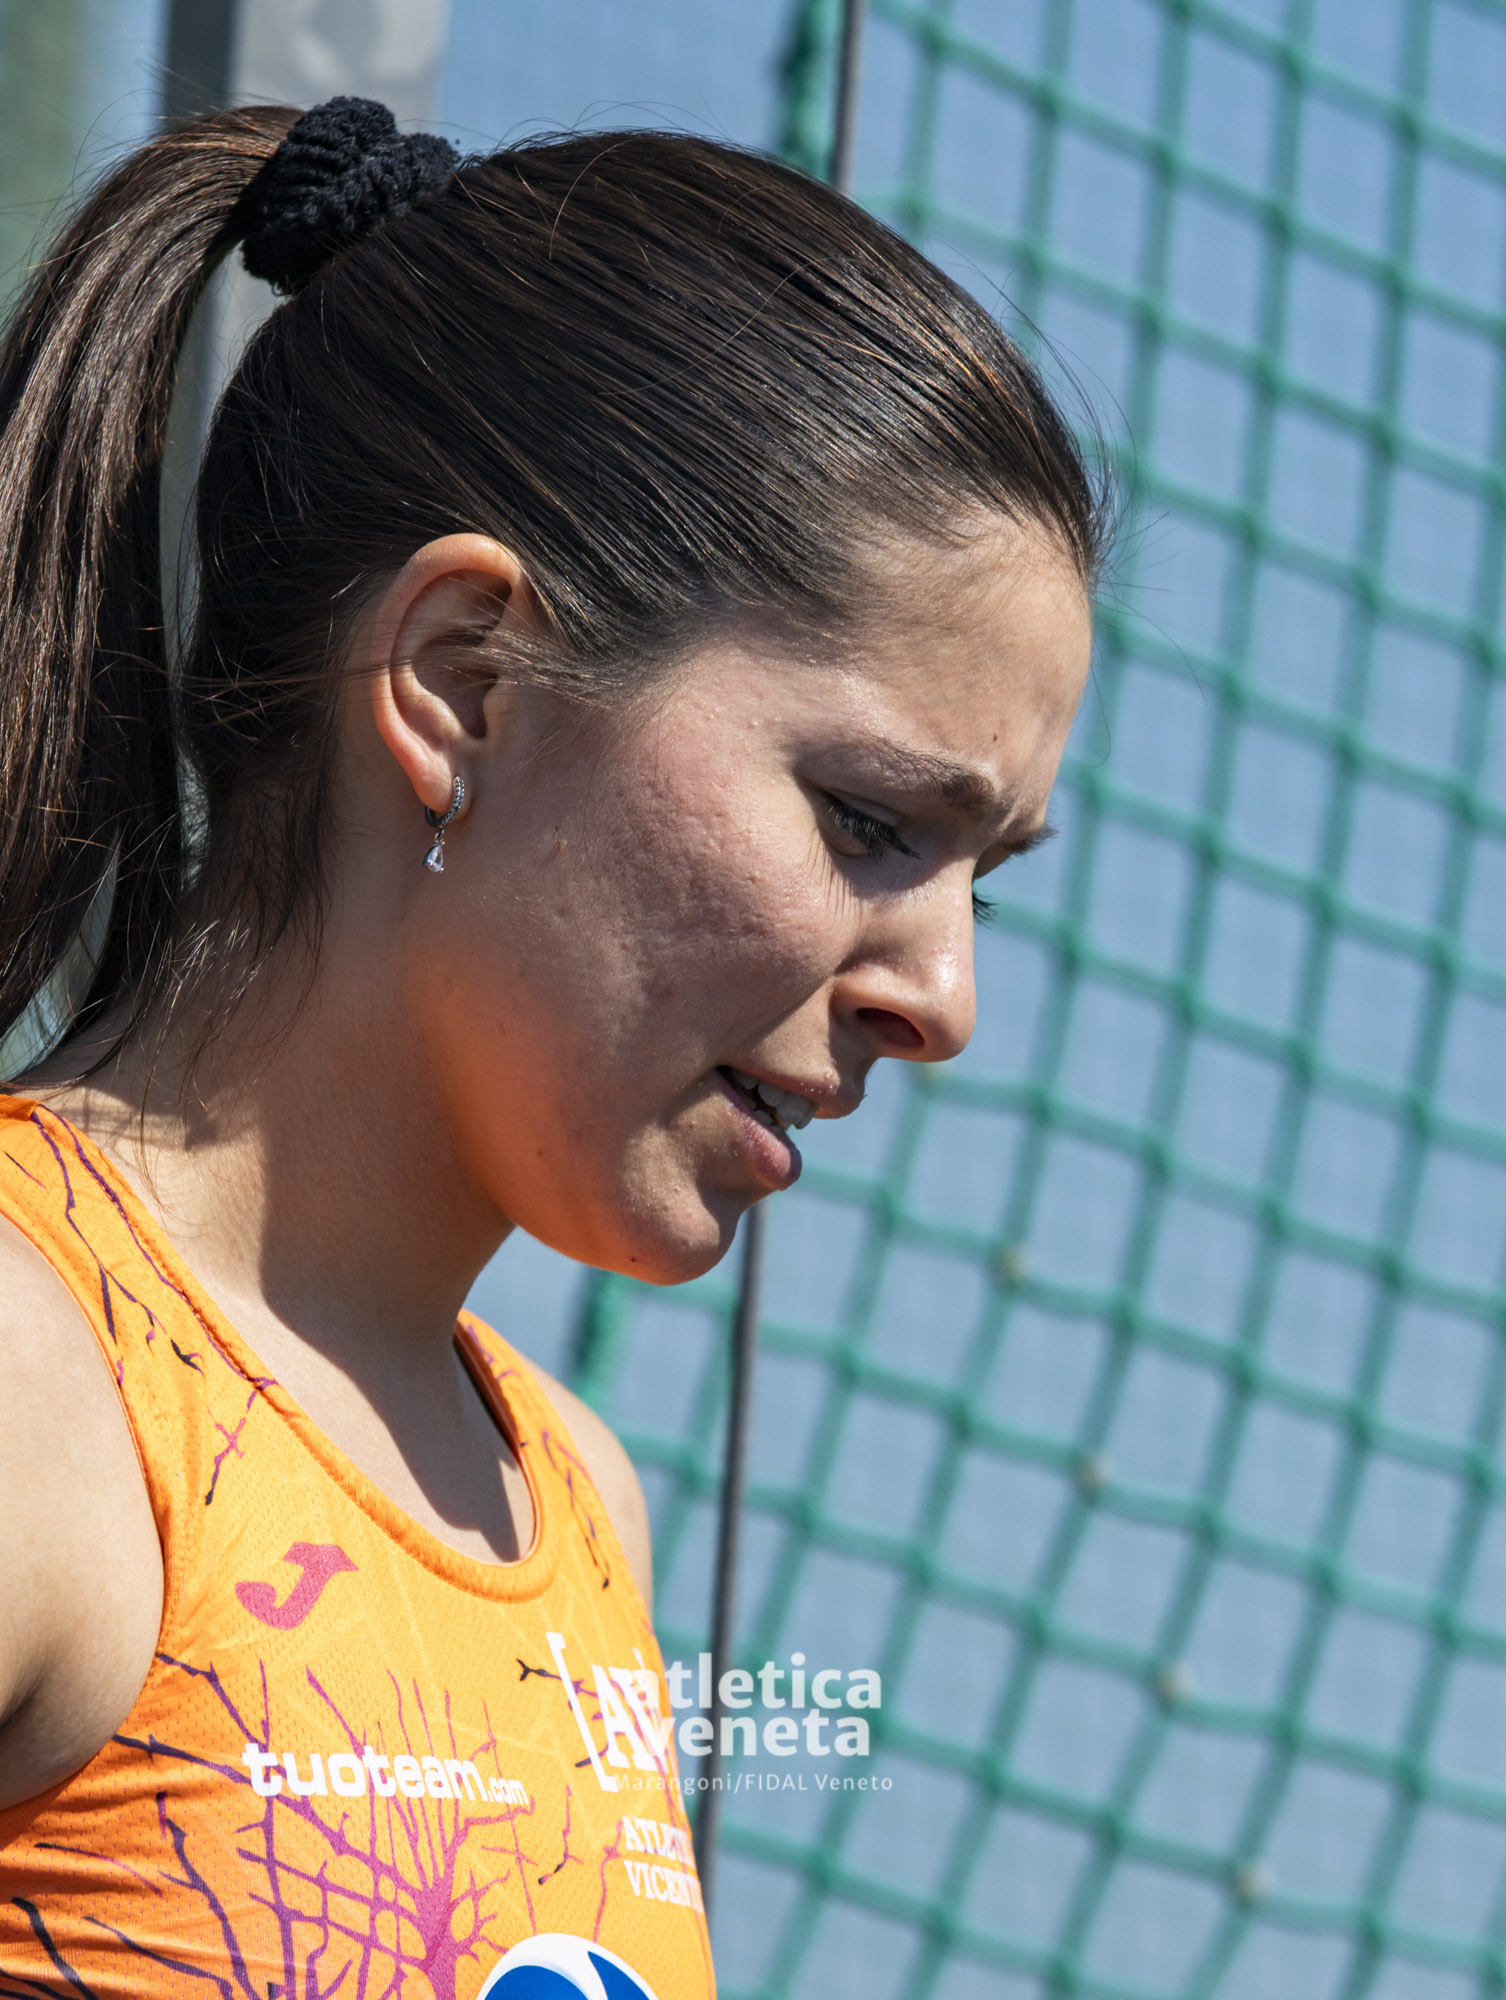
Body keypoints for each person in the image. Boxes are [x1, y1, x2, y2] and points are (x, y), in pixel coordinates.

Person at [0, 96, 1102, 1998]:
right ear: (466, 684)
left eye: (979, 880)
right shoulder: (35, 1386)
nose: (941, 998)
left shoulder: (578, 1499)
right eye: (865, 823)